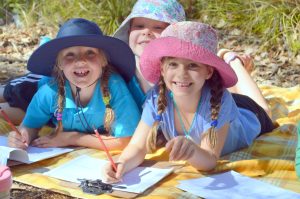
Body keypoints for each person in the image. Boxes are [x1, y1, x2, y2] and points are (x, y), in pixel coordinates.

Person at [102, 21, 275, 182]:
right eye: (173, 65)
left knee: (266, 110)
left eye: (192, 65)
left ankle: (233, 61)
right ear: (162, 69)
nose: (181, 74)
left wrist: (192, 151)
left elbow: (210, 160)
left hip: (249, 114)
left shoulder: (220, 100)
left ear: (208, 72)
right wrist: (122, 162)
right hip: (209, 96)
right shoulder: (157, 97)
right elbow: (138, 147)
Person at [113, 0, 271, 118]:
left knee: (263, 113)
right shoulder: (124, 68)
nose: (146, 32)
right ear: (128, 32)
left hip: (221, 110)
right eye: (139, 26)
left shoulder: (185, 69)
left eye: (158, 27)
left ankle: (232, 61)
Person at [7, 18, 140, 151]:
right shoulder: (49, 91)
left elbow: (125, 141)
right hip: (32, 86)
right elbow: (30, 125)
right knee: (9, 93)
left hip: (56, 115)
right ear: (59, 64)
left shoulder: (115, 87)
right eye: (70, 55)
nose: (80, 61)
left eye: (90, 53)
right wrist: (23, 136)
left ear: (103, 60)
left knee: (14, 111)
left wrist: (73, 138)